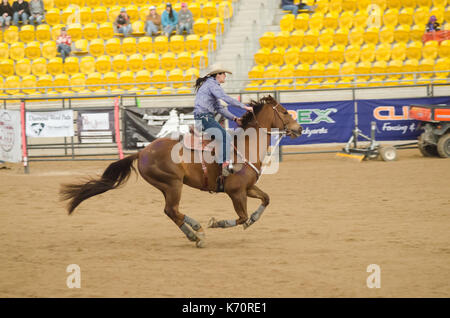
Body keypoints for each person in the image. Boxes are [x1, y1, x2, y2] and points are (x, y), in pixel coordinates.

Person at [193, 64, 253, 176]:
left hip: (203, 117)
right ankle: (224, 166)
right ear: (218, 75)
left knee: (224, 136)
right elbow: (225, 98)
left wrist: (234, 118)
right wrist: (244, 106)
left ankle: (220, 163)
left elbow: (220, 108)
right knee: (225, 136)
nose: (225, 76)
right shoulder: (212, 85)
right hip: (204, 117)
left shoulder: (210, 85)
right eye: (224, 73)